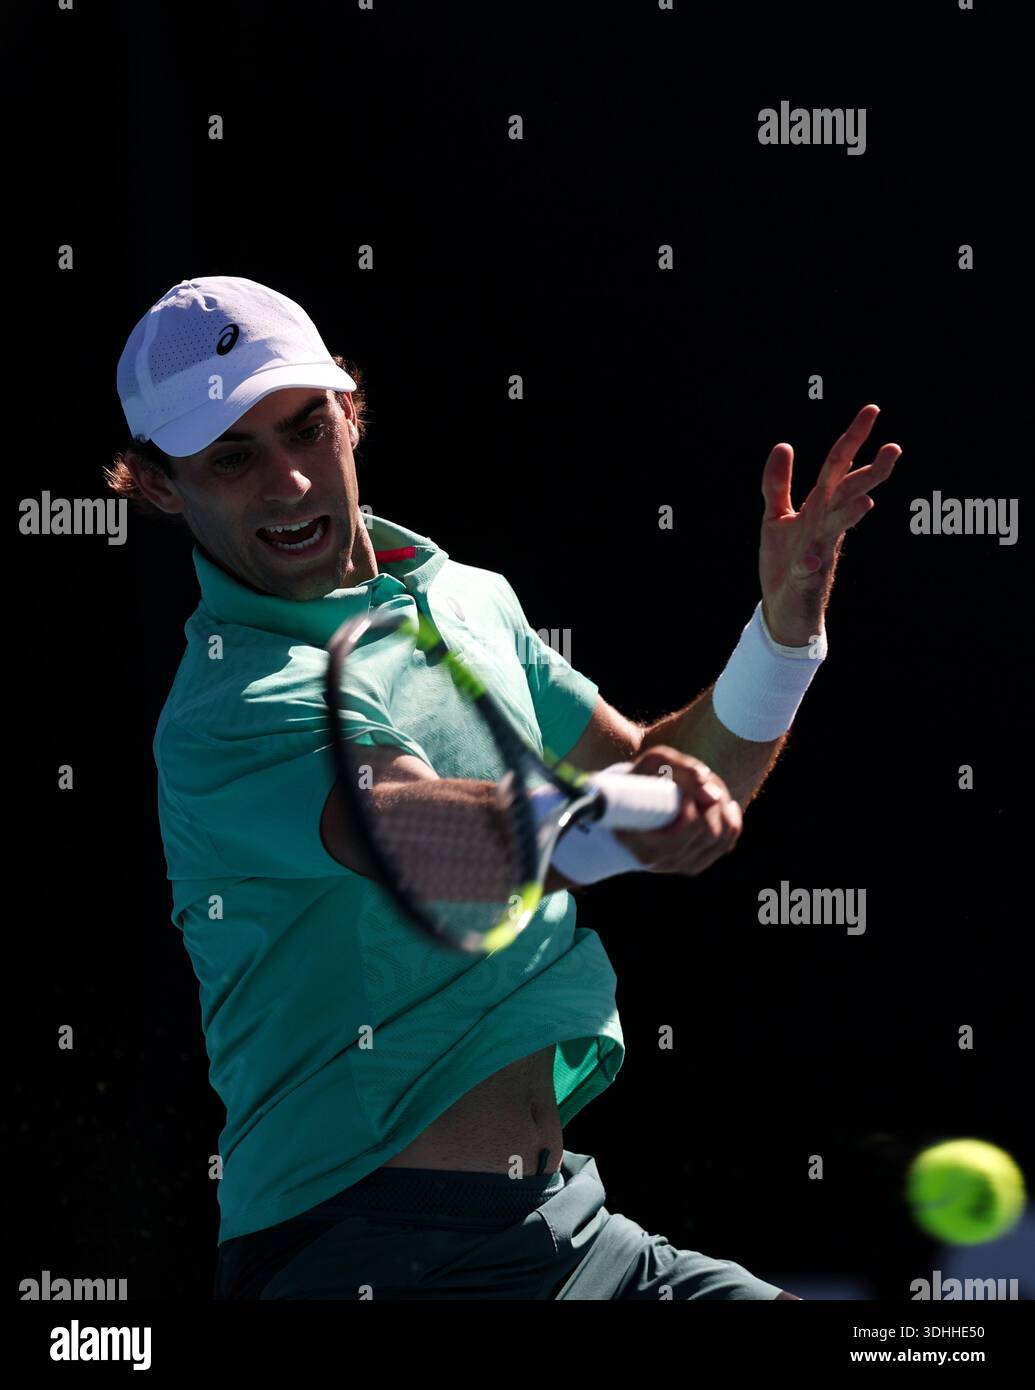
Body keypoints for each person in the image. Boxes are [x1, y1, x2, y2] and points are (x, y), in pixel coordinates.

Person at [108, 275, 900, 1300]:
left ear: (350, 409)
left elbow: (670, 772)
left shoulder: (467, 598)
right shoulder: (233, 702)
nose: (291, 481)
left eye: (306, 429)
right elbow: (416, 836)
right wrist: (624, 817)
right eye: (233, 457)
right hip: (360, 1255)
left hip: (574, 1229)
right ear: (164, 487)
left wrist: (784, 631)